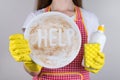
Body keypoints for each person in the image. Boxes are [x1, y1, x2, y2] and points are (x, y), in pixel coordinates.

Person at [9, 0, 105, 80]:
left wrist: (93, 63)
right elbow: (34, 72)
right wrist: (30, 63)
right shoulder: (35, 18)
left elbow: (89, 62)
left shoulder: (89, 19)